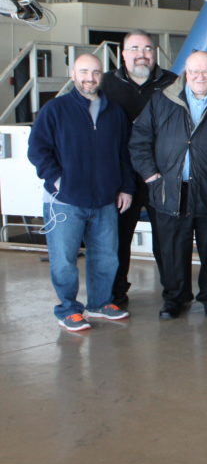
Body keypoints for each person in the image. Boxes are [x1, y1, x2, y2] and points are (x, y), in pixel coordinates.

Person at [129, 51, 207, 319]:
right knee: (172, 248)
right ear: (186, 73)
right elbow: (140, 138)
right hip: (172, 188)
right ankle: (175, 299)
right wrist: (150, 174)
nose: (200, 77)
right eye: (194, 72)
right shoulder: (162, 100)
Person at [28, 54, 135, 331]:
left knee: (106, 256)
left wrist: (126, 187)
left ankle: (100, 303)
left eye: (96, 72)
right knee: (64, 259)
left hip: (104, 200)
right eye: (84, 71)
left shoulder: (114, 112)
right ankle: (67, 308)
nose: (90, 78)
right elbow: (37, 149)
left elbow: (123, 153)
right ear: (73, 74)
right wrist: (56, 180)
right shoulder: (55, 109)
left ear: (102, 76)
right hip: (64, 201)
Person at [100, 30, 177, 308]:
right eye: (134, 48)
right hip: (121, 177)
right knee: (118, 238)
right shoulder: (106, 84)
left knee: (167, 239)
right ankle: (116, 294)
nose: (141, 54)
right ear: (123, 54)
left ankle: (173, 294)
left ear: (155, 53)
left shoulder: (172, 83)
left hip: (162, 175)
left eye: (147, 48)